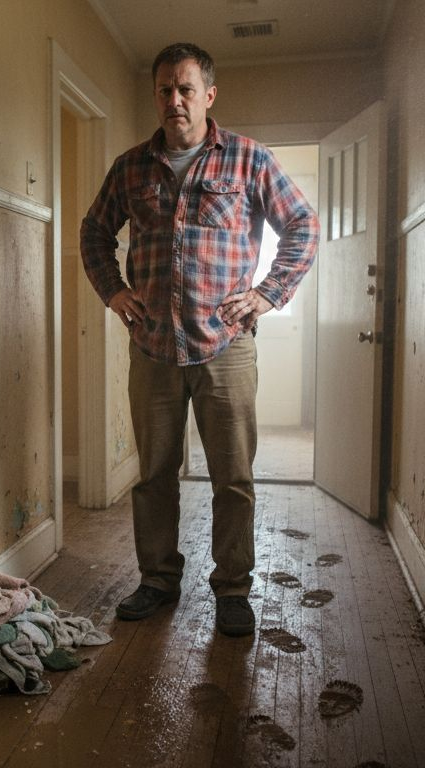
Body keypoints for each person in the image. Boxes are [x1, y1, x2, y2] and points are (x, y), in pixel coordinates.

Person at [79, 42, 319, 637]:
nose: (175, 100)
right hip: (153, 347)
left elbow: (302, 224)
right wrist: (113, 292)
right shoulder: (131, 167)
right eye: (165, 90)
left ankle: (233, 588)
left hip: (226, 347)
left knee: (232, 477)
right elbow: (93, 231)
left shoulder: (248, 159)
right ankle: (158, 580)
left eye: (186, 89)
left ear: (209, 95)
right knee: (154, 477)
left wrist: (267, 295)